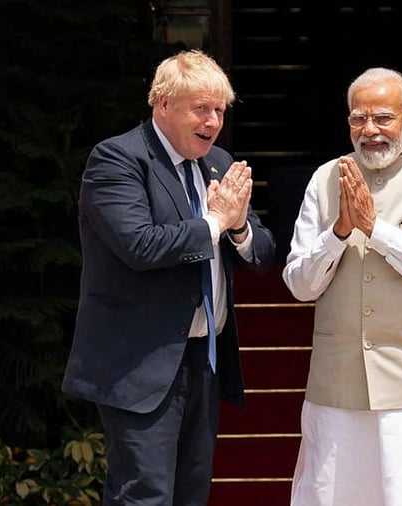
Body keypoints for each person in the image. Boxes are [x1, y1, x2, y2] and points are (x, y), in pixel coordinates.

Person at [61, 49, 276, 506]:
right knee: (145, 495)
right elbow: (140, 245)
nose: (213, 121)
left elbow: (261, 252)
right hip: (140, 363)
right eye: (201, 108)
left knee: (190, 493)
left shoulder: (217, 161)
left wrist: (237, 227)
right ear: (163, 105)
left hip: (204, 359)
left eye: (219, 110)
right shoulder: (118, 160)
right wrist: (216, 223)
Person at [282, 67, 402, 506]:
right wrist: (339, 234)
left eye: (383, 118)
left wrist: (377, 230)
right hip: (338, 385)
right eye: (358, 119)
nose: (369, 131)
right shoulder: (326, 178)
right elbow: (299, 284)